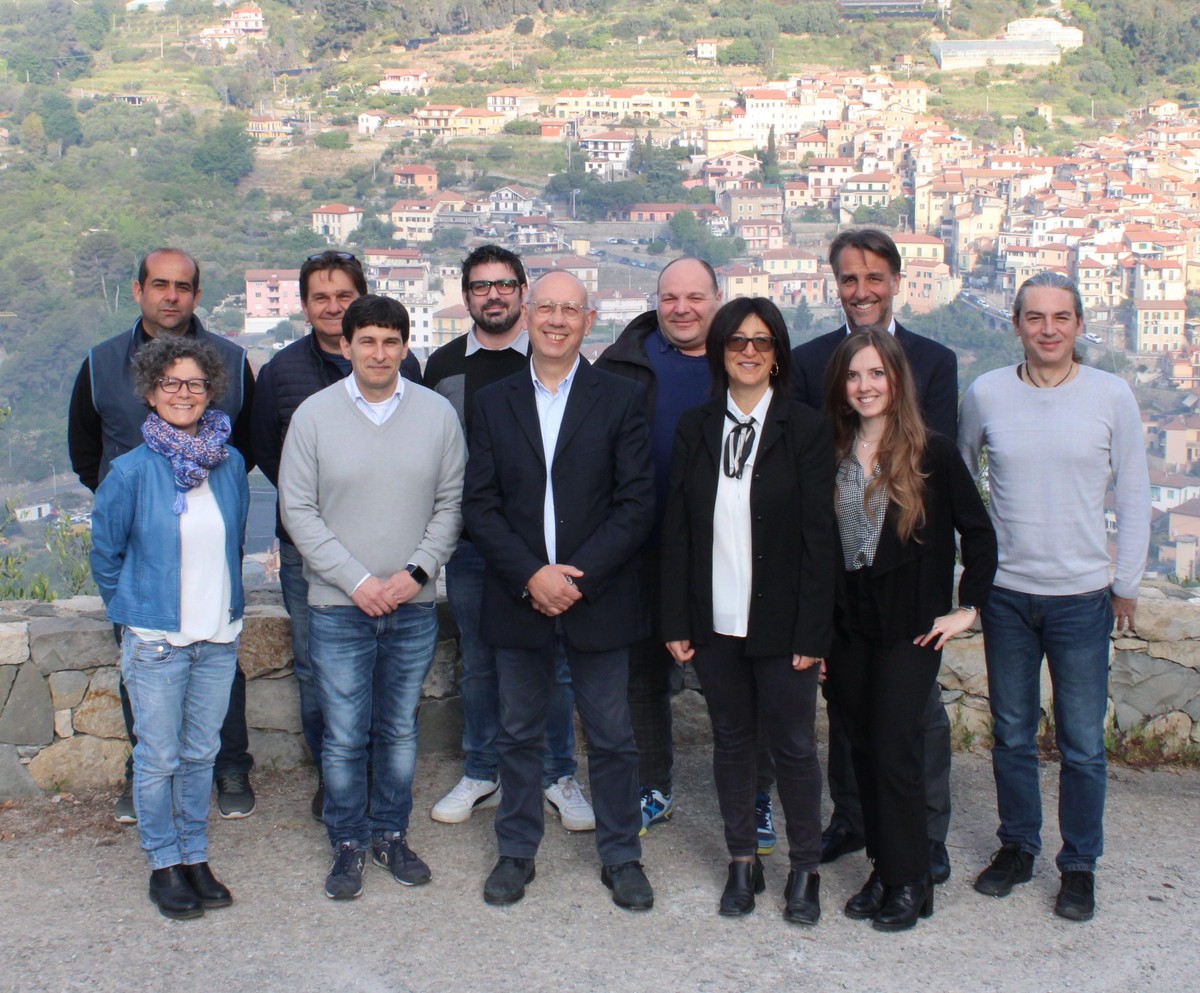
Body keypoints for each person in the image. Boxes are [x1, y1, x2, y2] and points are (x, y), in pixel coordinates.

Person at [960, 271, 1150, 922]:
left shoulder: (1111, 395)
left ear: (1078, 325)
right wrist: (970, 574)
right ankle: (1018, 847)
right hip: (1007, 594)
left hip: (1082, 597)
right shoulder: (986, 393)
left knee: (1083, 744)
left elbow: (1134, 491)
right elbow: (961, 483)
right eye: (1035, 317)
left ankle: (1078, 866)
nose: (1048, 329)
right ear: (1016, 324)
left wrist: (1128, 582)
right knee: (1012, 733)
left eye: (1061, 317)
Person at [462, 271, 655, 910]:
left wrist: (575, 578)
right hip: (519, 592)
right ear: (526, 313)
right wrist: (531, 575)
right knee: (517, 734)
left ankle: (622, 855)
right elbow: (480, 504)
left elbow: (635, 503)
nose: (556, 319)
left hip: (597, 595)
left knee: (612, 736)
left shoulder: (621, 398)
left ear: (589, 320)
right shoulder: (493, 401)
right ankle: (516, 851)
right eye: (545, 306)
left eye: (570, 309)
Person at [279, 295, 465, 900]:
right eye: (367, 341)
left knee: (400, 730)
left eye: (390, 341)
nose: (379, 353)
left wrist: (416, 573)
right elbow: (298, 511)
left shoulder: (437, 415)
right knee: (343, 735)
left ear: (405, 347)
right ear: (346, 346)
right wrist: (356, 581)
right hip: (338, 606)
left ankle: (390, 833)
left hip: (412, 604)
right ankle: (348, 842)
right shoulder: (313, 416)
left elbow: (452, 504)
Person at [659, 297, 836, 923]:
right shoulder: (696, 426)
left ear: (778, 354)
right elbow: (678, 529)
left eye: (762, 341)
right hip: (715, 620)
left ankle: (806, 869)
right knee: (731, 742)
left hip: (784, 624)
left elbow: (822, 541)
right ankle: (742, 860)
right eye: (738, 341)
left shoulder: (806, 428)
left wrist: (814, 632)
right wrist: (675, 619)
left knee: (794, 746)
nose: (750, 352)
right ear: (721, 352)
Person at [68, 247, 258, 824]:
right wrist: (135, 507)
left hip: (209, 539)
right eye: (159, 284)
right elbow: (86, 453)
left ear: (197, 294)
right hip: (140, 551)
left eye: (182, 286)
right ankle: (144, 771)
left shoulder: (233, 361)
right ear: (138, 290)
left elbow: (245, 449)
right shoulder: (100, 363)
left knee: (221, 656)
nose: (170, 296)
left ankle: (229, 766)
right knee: (140, 665)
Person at [791, 227, 958, 881]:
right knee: (848, 708)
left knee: (916, 716)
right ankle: (854, 819)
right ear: (835, 284)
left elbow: (938, 474)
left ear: (896, 282)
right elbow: (807, 469)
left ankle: (925, 834)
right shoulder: (808, 362)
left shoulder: (934, 361)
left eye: (873, 278)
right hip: (842, 575)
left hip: (909, 577)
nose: (861, 291)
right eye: (849, 279)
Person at [822, 328, 996, 931]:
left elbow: (979, 534)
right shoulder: (833, 451)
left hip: (909, 628)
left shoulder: (932, 453)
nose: (865, 385)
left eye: (876, 373)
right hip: (848, 627)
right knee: (863, 748)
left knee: (896, 747)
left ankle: (911, 878)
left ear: (896, 379)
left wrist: (968, 609)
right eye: (853, 375)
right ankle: (885, 868)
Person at [424, 245, 593, 833]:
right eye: (480, 286)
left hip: (550, 548)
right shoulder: (442, 365)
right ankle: (482, 769)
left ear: (524, 293)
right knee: (479, 663)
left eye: (503, 284)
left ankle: (556, 774)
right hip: (475, 544)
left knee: (558, 663)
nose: (492, 295)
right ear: (466, 295)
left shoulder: (553, 357)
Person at [250, 249, 420, 820]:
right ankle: (335, 774)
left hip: (390, 550)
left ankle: (376, 774)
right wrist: (323, 507)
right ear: (304, 306)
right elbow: (266, 452)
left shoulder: (402, 366)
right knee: (312, 667)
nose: (331, 306)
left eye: (343, 295)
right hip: (309, 551)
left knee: (385, 668)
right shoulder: (280, 372)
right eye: (319, 297)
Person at [90, 336, 250, 920]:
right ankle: (163, 863)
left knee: (202, 753)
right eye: (171, 383)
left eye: (195, 384)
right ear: (151, 392)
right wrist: (138, 610)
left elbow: (233, 542)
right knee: (158, 758)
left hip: (217, 639)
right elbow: (105, 556)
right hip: (157, 642)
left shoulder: (229, 465)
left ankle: (194, 854)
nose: (184, 394)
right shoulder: (130, 472)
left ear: (211, 392)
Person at [597, 257, 721, 837]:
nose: (681, 308)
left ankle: (754, 794)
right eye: (670, 297)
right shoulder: (622, 362)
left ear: (717, 299)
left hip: (725, 551)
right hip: (641, 549)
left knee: (736, 680)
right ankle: (652, 787)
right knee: (642, 680)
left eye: (694, 297)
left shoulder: (746, 357)